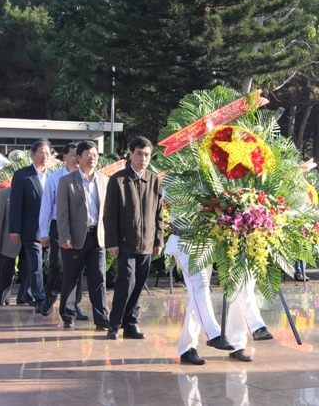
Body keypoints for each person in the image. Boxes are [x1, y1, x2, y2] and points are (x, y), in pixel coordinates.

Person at [166, 231, 273, 364]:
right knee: (199, 289)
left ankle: (237, 344)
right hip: (187, 240)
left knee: (237, 289)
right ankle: (212, 336)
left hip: (218, 239)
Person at [104, 136, 164, 340]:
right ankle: (115, 324)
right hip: (124, 243)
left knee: (138, 285)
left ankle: (131, 323)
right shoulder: (118, 180)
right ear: (130, 154)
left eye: (147, 154)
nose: (143, 158)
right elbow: (109, 214)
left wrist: (158, 240)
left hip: (146, 244)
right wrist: (111, 242)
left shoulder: (154, 180)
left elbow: (159, 214)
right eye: (139, 153)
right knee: (125, 282)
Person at [56, 141, 109, 329]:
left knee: (98, 277)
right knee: (71, 277)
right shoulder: (66, 182)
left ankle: (102, 317)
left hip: (97, 236)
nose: (92, 157)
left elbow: (108, 212)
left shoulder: (104, 180)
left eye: (95, 154)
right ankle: (68, 315)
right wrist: (64, 236)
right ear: (78, 158)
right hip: (75, 237)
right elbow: (62, 213)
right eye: (88, 154)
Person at [39, 143, 88, 319]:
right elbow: (46, 206)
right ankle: (48, 300)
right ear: (65, 157)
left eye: (79, 154)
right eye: (74, 154)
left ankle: (74, 305)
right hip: (58, 225)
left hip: (79, 227)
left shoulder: (86, 178)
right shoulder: (55, 179)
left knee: (78, 266)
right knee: (57, 264)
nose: (76, 158)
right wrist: (44, 232)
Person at [9, 140, 52, 313]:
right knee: (35, 263)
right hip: (30, 228)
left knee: (40, 264)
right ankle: (39, 298)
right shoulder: (22, 175)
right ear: (32, 154)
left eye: (48, 153)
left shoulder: (53, 176)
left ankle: (25, 294)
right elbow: (16, 204)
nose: (44, 156)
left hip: (49, 229)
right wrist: (14, 228)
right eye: (41, 152)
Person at [0, 187, 27, 306]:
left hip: (28, 242)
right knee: (5, 275)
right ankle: (1, 303)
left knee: (27, 273)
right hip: (7, 243)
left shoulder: (33, 192)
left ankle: (22, 301)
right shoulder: (4, 194)